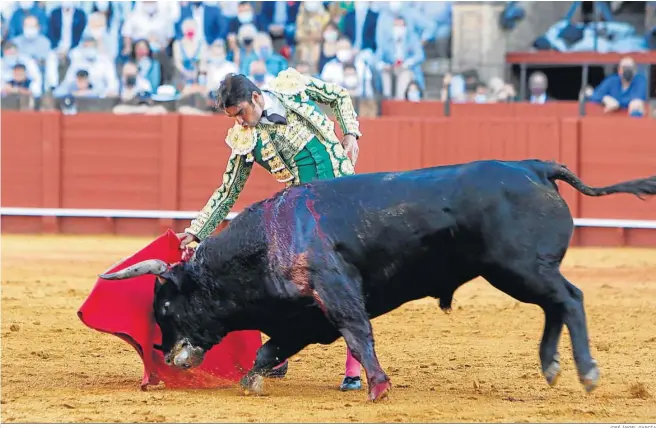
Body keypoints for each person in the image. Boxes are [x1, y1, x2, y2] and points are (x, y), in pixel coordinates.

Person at [176, 67, 364, 391]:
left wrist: (350, 132)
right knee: (272, 276)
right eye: (233, 117)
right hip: (304, 210)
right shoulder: (244, 138)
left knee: (348, 277)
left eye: (242, 113)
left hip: (343, 194)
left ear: (257, 97)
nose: (241, 122)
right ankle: (279, 351)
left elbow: (337, 95)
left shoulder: (291, 88)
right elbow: (229, 189)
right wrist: (197, 231)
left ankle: (354, 370)